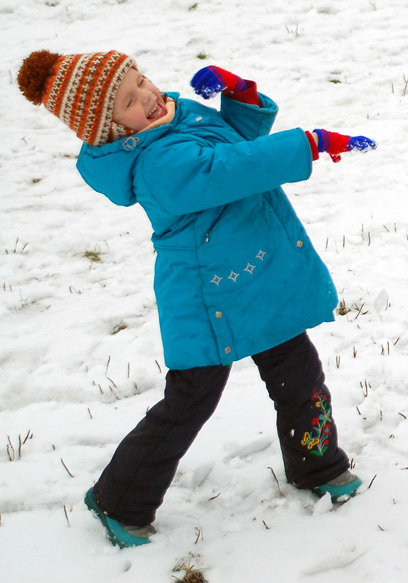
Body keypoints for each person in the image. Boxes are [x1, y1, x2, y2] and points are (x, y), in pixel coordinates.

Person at [17, 50, 377, 548]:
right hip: (209, 300)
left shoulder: (177, 117)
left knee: (301, 378)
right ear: (114, 131)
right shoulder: (156, 162)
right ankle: (117, 500)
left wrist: (241, 94)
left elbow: (237, 139)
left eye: (140, 80)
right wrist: (308, 144)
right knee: (191, 400)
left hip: (256, 280)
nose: (147, 96)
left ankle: (317, 466)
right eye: (128, 101)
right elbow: (229, 168)